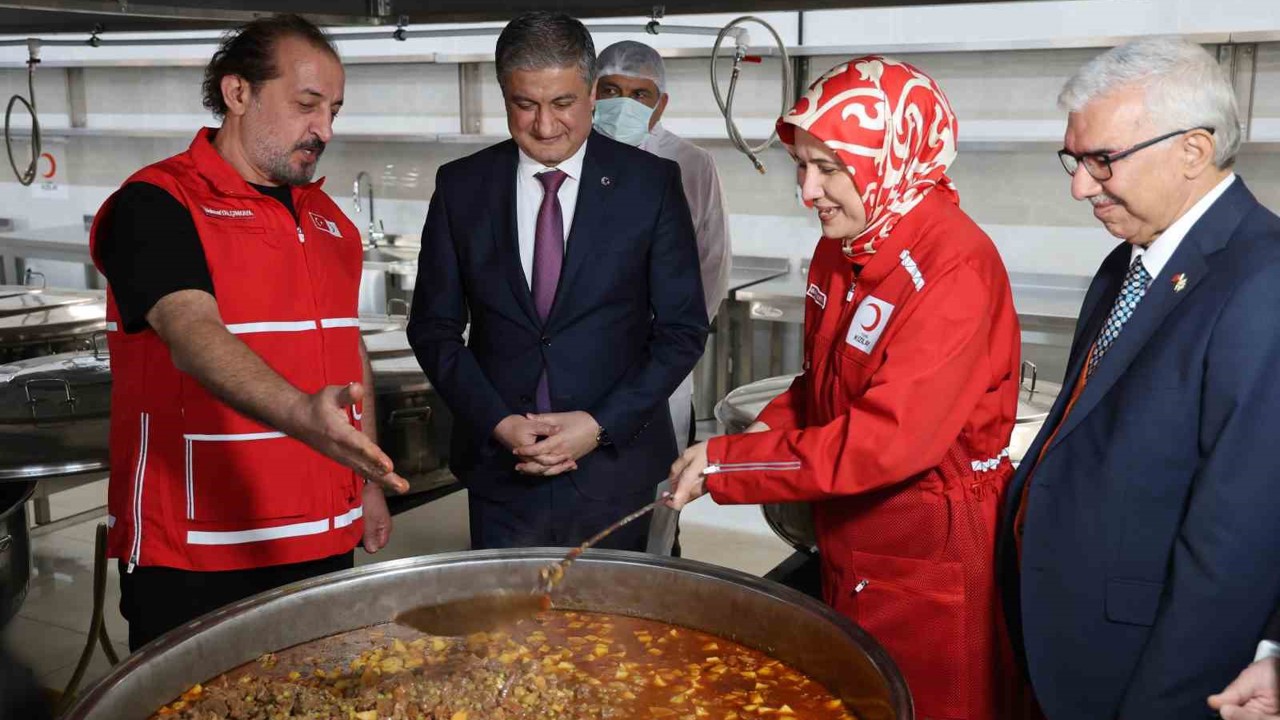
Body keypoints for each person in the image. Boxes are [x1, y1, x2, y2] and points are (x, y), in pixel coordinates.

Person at [666, 57, 1023, 720]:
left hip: (928, 548)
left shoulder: (953, 270)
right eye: (801, 166)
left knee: (923, 704)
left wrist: (731, 466)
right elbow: (819, 385)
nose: (808, 191)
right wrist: (738, 444)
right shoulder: (844, 245)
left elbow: (886, 441)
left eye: (828, 168)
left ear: (893, 159)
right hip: (849, 533)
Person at [89, 14, 406, 651]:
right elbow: (189, 330)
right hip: (198, 550)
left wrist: (365, 482)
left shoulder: (328, 219)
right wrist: (299, 412)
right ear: (238, 94)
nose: (324, 129)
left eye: (334, 110)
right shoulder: (157, 203)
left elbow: (345, 349)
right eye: (306, 105)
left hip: (320, 535)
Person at [996, 37, 1280, 718]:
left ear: (1193, 150)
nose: (1079, 185)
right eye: (1074, 159)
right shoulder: (1128, 263)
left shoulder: (1261, 282)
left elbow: (1236, 542)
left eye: (1102, 161)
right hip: (1075, 648)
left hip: (1152, 669)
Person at [408, 12, 708, 552]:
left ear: (592, 93)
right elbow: (433, 328)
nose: (546, 126)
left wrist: (598, 424)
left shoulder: (652, 185)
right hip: (502, 474)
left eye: (563, 104)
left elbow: (682, 330)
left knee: (617, 632)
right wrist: (498, 422)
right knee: (508, 631)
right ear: (504, 94)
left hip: (618, 469)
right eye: (526, 105)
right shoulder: (461, 188)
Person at [592, 39, 732, 555]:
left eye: (640, 93)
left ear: (661, 103)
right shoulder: (565, 154)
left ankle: (652, 571)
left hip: (659, 363)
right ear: (589, 92)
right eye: (610, 90)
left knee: (653, 490)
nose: (624, 104)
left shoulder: (688, 165)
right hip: (580, 366)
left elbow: (712, 264)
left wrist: (672, 343)